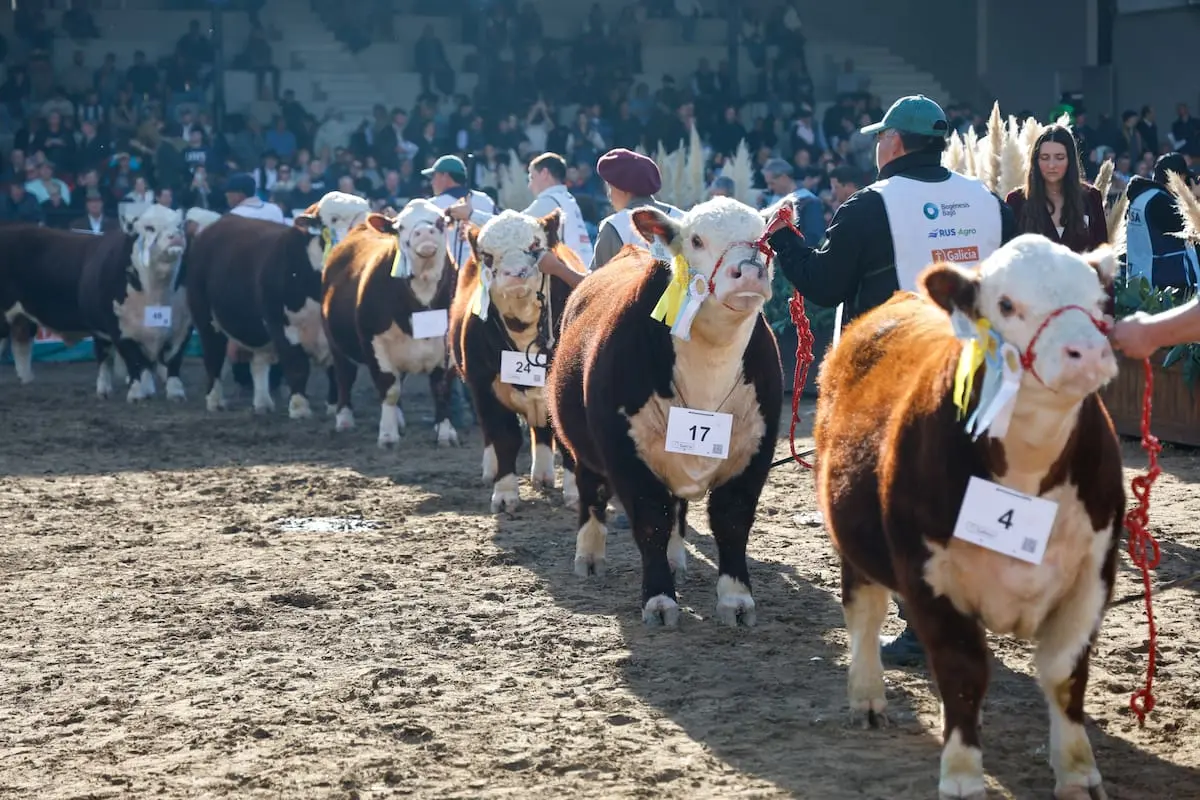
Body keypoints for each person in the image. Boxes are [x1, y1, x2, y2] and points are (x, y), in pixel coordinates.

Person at [766, 94, 1019, 666]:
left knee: (903, 500)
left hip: (899, 375)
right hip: (982, 367)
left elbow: (823, 285)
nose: (878, 146)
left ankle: (924, 623)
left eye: (881, 137)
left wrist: (782, 237)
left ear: (895, 143)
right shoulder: (987, 201)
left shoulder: (869, 204)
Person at [446, 152, 595, 266]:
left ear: (544, 174)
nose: (530, 186)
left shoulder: (550, 201)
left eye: (531, 177)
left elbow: (511, 226)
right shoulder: (567, 199)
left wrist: (471, 214)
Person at [1004, 124, 1108, 254]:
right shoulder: (1017, 200)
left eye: (1059, 157)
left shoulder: (1091, 197)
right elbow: (1007, 257)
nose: (1051, 165)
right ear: (1036, 161)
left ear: (1070, 160)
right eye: (1045, 158)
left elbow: (1102, 255)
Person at [589, 147, 684, 271]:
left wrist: (559, 268)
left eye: (610, 187)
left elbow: (593, 286)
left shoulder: (614, 226)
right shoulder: (684, 218)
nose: (609, 195)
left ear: (621, 188)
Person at [1121, 151, 1200, 290]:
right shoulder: (1161, 202)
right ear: (1175, 177)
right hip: (1165, 284)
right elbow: (1193, 230)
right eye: (1184, 178)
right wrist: (1193, 199)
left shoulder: (1140, 198)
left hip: (1139, 280)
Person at [423, 154, 495, 270]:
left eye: (434, 176)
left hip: (447, 276)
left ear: (445, 176)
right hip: (482, 274)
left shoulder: (431, 205)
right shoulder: (485, 200)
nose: (432, 182)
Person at [762, 158, 826, 244]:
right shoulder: (771, 201)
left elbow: (813, 237)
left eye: (772, 183)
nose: (770, 188)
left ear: (784, 178)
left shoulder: (808, 201)